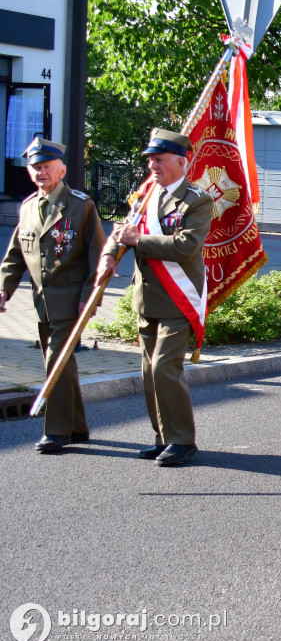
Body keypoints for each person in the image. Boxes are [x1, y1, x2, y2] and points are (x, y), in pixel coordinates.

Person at [96, 128, 212, 466]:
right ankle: (163, 436)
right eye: (150, 160)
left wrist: (137, 241)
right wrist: (108, 253)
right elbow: (123, 231)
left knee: (164, 366)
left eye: (158, 160)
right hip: (147, 298)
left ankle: (182, 440)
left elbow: (187, 245)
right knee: (149, 372)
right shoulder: (146, 194)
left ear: (180, 161)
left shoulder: (197, 200)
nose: (153, 166)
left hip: (179, 299)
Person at [1, 138, 106, 453]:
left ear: (61, 169)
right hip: (41, 302)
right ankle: (77, 426)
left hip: (72, 299)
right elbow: (15, 255)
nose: (41, 172)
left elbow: (99, 256)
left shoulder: (80, 205)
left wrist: (92, 297)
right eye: (36, 167)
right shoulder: (29, 206)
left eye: (47, 166)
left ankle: (57, 431)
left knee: (56, 360)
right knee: (64, 362)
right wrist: (5, 288)